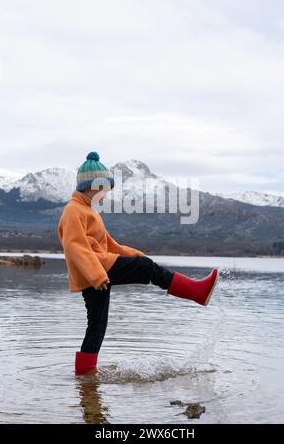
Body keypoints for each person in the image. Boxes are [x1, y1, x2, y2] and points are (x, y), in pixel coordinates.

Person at [57, 152, 219, 374]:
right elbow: (75, 247)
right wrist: (97, 275)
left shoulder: (86, 211)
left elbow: (110, 245)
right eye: (104, 190)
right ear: (93, 186)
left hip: (96, 272)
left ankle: (85, 376)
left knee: (97, 326)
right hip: (97, 271)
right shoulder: (73, 210)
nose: (105, 196)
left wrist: (137, 257)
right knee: (144, 272)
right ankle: (196, 292)